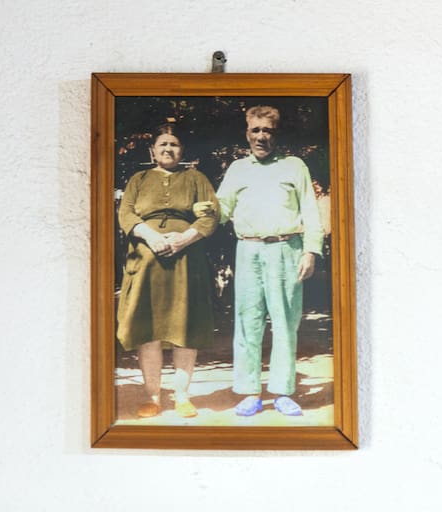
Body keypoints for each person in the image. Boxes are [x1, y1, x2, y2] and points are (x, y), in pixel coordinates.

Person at [215, 105, 323, 416]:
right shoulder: (237, 169)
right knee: (248, 323)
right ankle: (249, 392)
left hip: (286, 249)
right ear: (246, 133)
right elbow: (220, 209)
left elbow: (310, 211)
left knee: (285, 322)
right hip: (248, 251)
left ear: (276, 134)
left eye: (268, 131)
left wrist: (310, 251)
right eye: (256, 130)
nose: (262, 137)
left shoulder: (294, 166)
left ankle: (281, 391)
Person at [117, 123, 220, 418]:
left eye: (173, 144)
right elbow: (126, 213)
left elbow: (211, 214)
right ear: (152, 151)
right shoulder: (138, 179)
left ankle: (183, 397)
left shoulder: (196, 178)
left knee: (183, 327)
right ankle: (152, 397)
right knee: (148, 328)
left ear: (181, 151)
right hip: (147, 262)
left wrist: (184, 238)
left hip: (186, 261)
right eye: (162, 144)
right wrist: (151, 236)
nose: (168, 149)